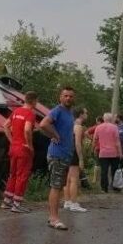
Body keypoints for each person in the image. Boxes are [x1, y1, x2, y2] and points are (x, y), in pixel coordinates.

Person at [39, 86, 76, 230]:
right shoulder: (57, 111)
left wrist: (55, 135)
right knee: (55, 186)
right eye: (65, 96)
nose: (68, 98)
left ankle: (53, 217)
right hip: (57, 154)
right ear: (60, 97)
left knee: (59, 186)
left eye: (71, 96)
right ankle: (54, 218)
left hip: (65, 154)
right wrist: (54, 135)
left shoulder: (69, 113)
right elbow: (43, 124)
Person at [1, 91, 38, 213]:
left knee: (13, 174)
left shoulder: (16, 111)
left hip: (14, 148)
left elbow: (5, 126)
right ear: (33, 101)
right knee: (22, 176)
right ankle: (17, 204)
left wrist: (12, 140)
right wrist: (30, 145)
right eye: (36, 101)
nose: (37, 103)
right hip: (24, 149)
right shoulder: (30, 114)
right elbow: (27, 129)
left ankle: (7, 201)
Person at [63, 107, 88, 212]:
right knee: (74, 179)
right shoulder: (78, 126)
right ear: (81, 114)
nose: (87, 114)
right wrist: (81, 158)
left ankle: (67, 201)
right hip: (74, 153)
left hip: (67, 152)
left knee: (68, 178)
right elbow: (77, 143)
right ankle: (73, 203)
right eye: (86, 113)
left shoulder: (70, 124)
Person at [93, 113, 123, 193]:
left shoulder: (98, 127)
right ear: (111, 119)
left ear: (103, 118)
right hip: (114, 153)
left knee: (104, 171)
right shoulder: (115, 127)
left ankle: (104, 188)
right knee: (114, 170)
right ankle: (115, 187)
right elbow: (117, 142)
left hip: (103, 153)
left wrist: (94, 148)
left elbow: (95, 139)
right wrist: (120, 153)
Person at [86, 116, 103, 183]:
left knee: (97, 163)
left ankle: (95, 179)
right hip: (106, 148)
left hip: (97, 147)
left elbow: (86, 132)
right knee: (104, 164)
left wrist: (91, 138)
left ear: (98, 121)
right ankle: (101, 179)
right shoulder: (107, 126)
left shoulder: (96, 127)